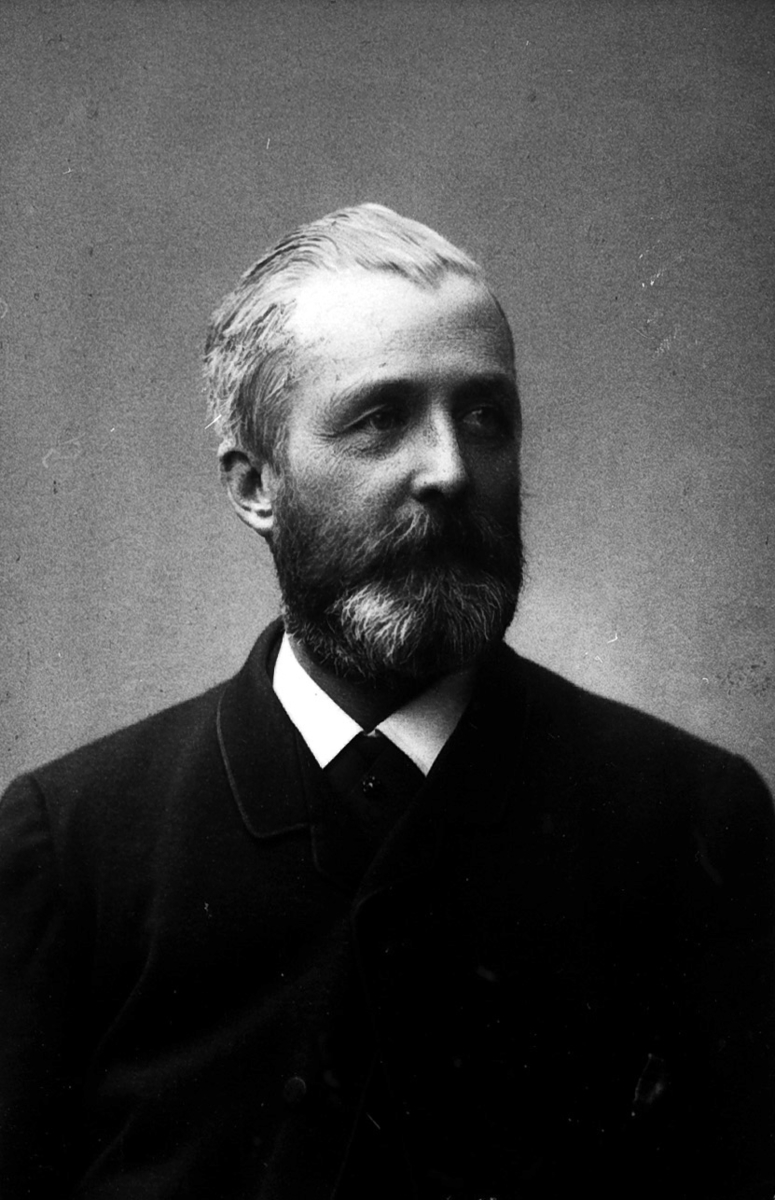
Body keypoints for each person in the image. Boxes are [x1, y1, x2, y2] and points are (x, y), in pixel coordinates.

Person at [1, 203, 773, 1200]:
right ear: (255, 484)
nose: (449, 470)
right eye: (380, 419)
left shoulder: (690, 822)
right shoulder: (71, 849)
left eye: (485, 416)